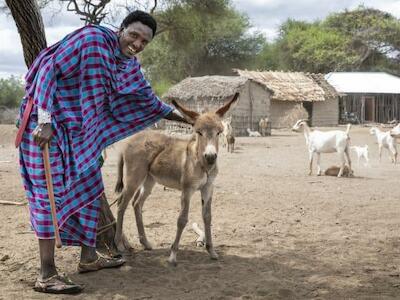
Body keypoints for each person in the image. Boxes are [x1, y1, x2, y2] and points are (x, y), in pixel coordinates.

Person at [16, 10, 189, 294]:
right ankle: (46, 274)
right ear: (121, 29)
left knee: (90, 189)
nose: (137, 43)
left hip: (80, 135)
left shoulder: (130, 67)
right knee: (47, 198)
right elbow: (48, 69)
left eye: (144, 41)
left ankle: (89, 257)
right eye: (134, 35)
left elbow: (149, 101)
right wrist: (44, 120)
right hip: (44, 126)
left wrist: (190, 119)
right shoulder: (92, 40)